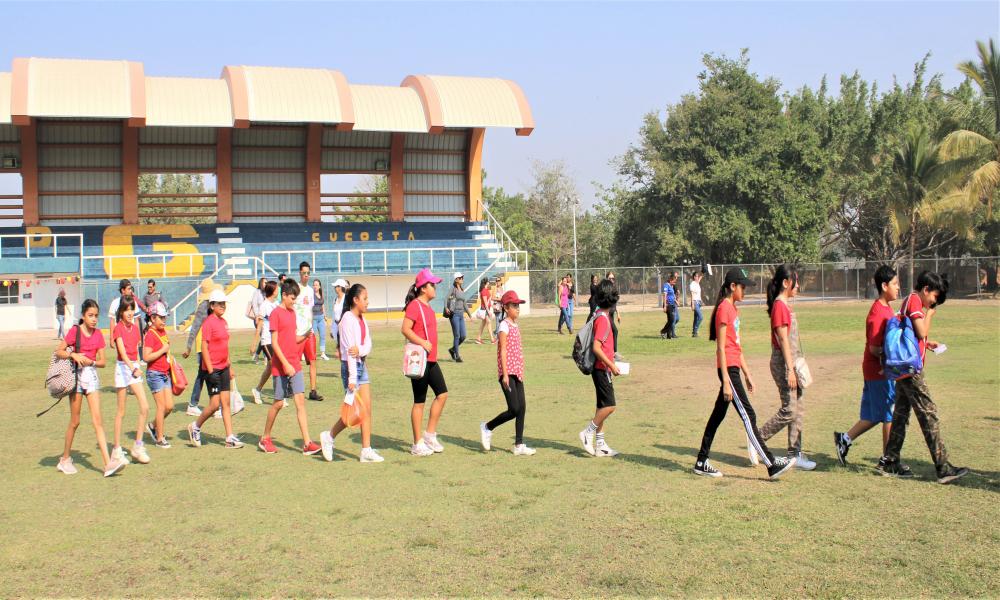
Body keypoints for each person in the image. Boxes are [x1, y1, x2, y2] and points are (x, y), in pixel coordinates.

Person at [693, 269, 796, 479]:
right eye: (743, 287)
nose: (745, 291)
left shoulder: (733, 309)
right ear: (733, 287)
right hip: (727, 370)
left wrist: (747, 373)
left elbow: (735, 346)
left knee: (717, 416)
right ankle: (771, 463)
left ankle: (701, 461)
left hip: (733, 367)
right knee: (749, 415)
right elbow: (721, 348)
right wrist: (726, 383)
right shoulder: (724, 309)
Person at [877, 272, 968, 484]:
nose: (933, 303)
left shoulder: (912, 300)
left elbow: (913, 334)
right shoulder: (916, 300)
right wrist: (930, 315)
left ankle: (890, 460)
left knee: (900, 415)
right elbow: (920, 330)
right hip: (910, 371)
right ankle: (943, 468)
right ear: (926, 289)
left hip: (903, 369)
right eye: (934, 297)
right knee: (929, 413)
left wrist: (927, 343)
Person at [834, 265, 900, 465]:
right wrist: (894, 357)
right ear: (884, 285)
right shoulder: (878, 313)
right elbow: (874, 348)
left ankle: (844, 439)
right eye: (895, 284)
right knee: (889, 413)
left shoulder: (888, 309)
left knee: (874, 414)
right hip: (878, 370)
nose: (898, 287)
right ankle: (888, 460)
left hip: (880, 370)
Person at [55, 299, 128, 477]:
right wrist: (74, 354)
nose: (94, 319)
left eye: (96, 316)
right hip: (77, 380)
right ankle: (65, 459)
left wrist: (92, 361)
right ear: (83, 316)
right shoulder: (75, 332)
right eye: (90, 315)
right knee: (75, 421)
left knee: (98, 422)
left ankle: (107, 464)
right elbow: (59, 351)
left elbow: (102, 361)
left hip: (92, 378)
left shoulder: (97, 335)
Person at [756, 265, 815, 470]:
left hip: (792, 362)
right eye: (795, 281)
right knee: (789, 409)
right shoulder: (780, 306)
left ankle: (794, 454)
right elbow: (783, 340)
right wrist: (790, 370)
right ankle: (757, 439)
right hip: (784, 363)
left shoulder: (786, 305)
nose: (798, 285)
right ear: (785, 283)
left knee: (798, 408)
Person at [320, 283, 384, 463]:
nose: (367, 302)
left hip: (362, 365)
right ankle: (329, 436)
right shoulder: (347, 319)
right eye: (365, 299)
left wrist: (362, 351)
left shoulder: (362, 319)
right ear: (355, 300)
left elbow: (368, 345)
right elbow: (349, 352)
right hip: (351, 369)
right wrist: (352, 378)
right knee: (354, 412)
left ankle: (366, 450)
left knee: (366, 410)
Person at [258, 279, 322, 456]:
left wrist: (304, 336)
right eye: (292, 298)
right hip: (281, 367)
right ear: (284, 295)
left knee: (300, 402)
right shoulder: (276, 314)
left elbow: (291, 338)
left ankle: (307, 443)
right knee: (278, 403)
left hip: (295, 364)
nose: (294, 301)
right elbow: (275, 343)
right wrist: (285, 364)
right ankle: (265, 438)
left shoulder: (292, 313)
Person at [480, 290, 535, 455]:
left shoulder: (515, 324)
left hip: (517, 372)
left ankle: (518, 445)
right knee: (514, 408)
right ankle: (487, 427)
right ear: (505, 308)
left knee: (522, 407)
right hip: (507, 372)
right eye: (514, 306)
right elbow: (502, 350)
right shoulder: (503, 325)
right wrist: (504, 374)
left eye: (518, 305)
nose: (517, 309)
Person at [187, 289, 244, 449]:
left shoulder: (224, 322)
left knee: (225, 403)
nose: (223, 306)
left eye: (224, 303)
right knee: (214, 404)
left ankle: (229, 437)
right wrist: (210, 371)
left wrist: (229, 366)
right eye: (219, 304)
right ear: (212, 305)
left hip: (224, 367)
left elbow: (224, 346)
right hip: (212, 370)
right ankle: (195, 427)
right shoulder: (208, 323)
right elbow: (204, 347)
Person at [401, 268, 448, 456]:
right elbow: (405, 329)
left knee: (442, 394)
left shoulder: (428, 307)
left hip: (431, 359)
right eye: (432, 284)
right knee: (419, 402)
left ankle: (429, 434)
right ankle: (417, 443)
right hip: (420, 360)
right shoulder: (415, 306)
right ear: (422, 288)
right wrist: (422, 342)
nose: (435, 287)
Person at [578, 279, 621, 458]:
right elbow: (596, 347)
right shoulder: (603, 319)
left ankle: (601, 444)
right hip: (602, 369)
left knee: (601, 406)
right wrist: (611, 365)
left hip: (602, 368)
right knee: (610, 406)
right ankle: (587, 432)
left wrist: (614, 357)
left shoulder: (599, 315)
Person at [110, 297, 151, 466]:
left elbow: (136, 349)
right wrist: (132, 368)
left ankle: (137, 446)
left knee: (145, 406)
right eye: (127, 310)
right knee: (121, 411)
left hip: (133, 367)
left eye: (132, 309)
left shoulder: (135, 329)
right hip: (123, 368)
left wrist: (137, 365)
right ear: (121, 311)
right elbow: (122, 353)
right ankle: (117, 450)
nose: (130, 313)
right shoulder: (118, 329)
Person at [142, 302, 175, 448]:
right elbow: (146, 357)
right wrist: (163, 350)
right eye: (161, 318)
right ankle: (160, 438)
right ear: (153, 318)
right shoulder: (150, 334)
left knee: (169, 406)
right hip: (155, 374)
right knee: (161, 407)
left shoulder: (163, 332)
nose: (163, 320)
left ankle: (152, 426)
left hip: (165, 373)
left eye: (164, 318)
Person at [182, 279, 216, 417]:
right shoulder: (204, 307)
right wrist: (188, 346)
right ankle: (194, 404)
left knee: (206, 375)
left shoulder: (210, 305)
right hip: (203, 346)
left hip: (209, 344)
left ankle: (210, 404)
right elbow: (195, 327)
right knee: (205, 374)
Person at [295, 261, 324, 402]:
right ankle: (293, 388)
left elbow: (310, 310)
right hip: (297, 333)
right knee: (295, 362)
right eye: (304, 273)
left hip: (309, 332)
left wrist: (311, 327)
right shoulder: (295, 289)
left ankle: (313, 391)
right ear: (299, 273)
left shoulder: (310, 291)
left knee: (313, 361)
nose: (306, 275)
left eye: (308, 273)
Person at [251, 280, 279, 405]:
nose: (278, 291)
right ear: (272, 291)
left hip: (276, 340)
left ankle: (257, 390)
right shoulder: (264, 305)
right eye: (277, 289)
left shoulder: (277, 304)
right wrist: (254, 343)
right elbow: (260, 325)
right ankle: (279, 397)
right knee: (274, 365)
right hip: (267, 340)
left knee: (270, 368)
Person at [445, 272, 473, 362]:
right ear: (456, 279)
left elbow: (464, 303)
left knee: (463, 336)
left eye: (462, 277)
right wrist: (446, 307)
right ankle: (457, 356)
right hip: (454, 315)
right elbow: (446, 298)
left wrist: (469, 314)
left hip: (461, 315)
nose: (462, 279)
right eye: (460, 278)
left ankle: (453, 349)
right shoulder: (453, 289)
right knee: (457, 335)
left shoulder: (462, 289)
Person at [328, 278, 349, 359]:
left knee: (344, 350)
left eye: (336, 286)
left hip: (345, 327)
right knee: (340, 351)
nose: (334, 288)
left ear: (340, 287)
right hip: (337, 327)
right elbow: (334, 315)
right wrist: (332, 329)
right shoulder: (335, 299)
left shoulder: (346, 299)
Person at [248, 276, 267, 361]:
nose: (266, 284)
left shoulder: (266, 293)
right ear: (261, 283)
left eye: (267, 282)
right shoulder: (257, 292)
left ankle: (257, 354)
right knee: (263, 336)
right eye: (264, 282)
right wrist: (256, 316)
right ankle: (265, 356)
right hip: (258, 318)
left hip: (266, 319)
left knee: (265, 337)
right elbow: (254, 305)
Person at [606, 271, 623, 360]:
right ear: (607, 279)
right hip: (607, 314)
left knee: (610, 333)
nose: (612, 280)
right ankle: (614, 352)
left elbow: (616, 303)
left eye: (613, 278)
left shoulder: (614, 288)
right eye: (610, 278)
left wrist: (618, 314)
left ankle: (610, 352)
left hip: (612, 313)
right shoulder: (606, 289)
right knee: (615, 331)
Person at [312, 279, 330, 361]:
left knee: (322, 336)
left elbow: (323, 305)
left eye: (316, 285)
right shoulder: (311, 295)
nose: (315, 286)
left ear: (319, 286)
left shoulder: (321, 294)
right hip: (314, 318)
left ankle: (323, 353)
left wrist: (325, 316)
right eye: (314, 285)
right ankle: (312, 353)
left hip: (321, 317)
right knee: (313, 337)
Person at [474, 279, 496, 344]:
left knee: (483, 324)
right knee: (489, 323)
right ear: (486, 283)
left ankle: (478, 338)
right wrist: (488, 311)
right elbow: (485, 302)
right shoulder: (484, 291)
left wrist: (492, 306)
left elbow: (488, 301)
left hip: (486, 309)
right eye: (488, 281)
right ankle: (492, 339)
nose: (489, 282)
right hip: (485, 309)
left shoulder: (485, 290)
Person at [660, 272, 679, 339]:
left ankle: (668, 335)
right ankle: (663, 331)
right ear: (670, 280)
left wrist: (676, 301)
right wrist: (665, 306)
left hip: (672, 304)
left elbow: (672, 295)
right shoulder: (666, 285)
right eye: (674, 281)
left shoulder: (671, 286)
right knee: (672, 320)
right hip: (668, 305)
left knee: (670, 320)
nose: (675, 282)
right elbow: (665, 295)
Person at [690, 271, 704, 337]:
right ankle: (695, 330)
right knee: (701, 317)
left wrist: (703, 272)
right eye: (695, 276)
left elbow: (701, 277)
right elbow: (692, 294)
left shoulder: (697, 283)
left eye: (697, 276)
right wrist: (692, 304)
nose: (697, 277)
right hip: (695, 302)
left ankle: (694, 333)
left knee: (696, 318)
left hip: (698, 302)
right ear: (693, 277)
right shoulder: (692, 284)